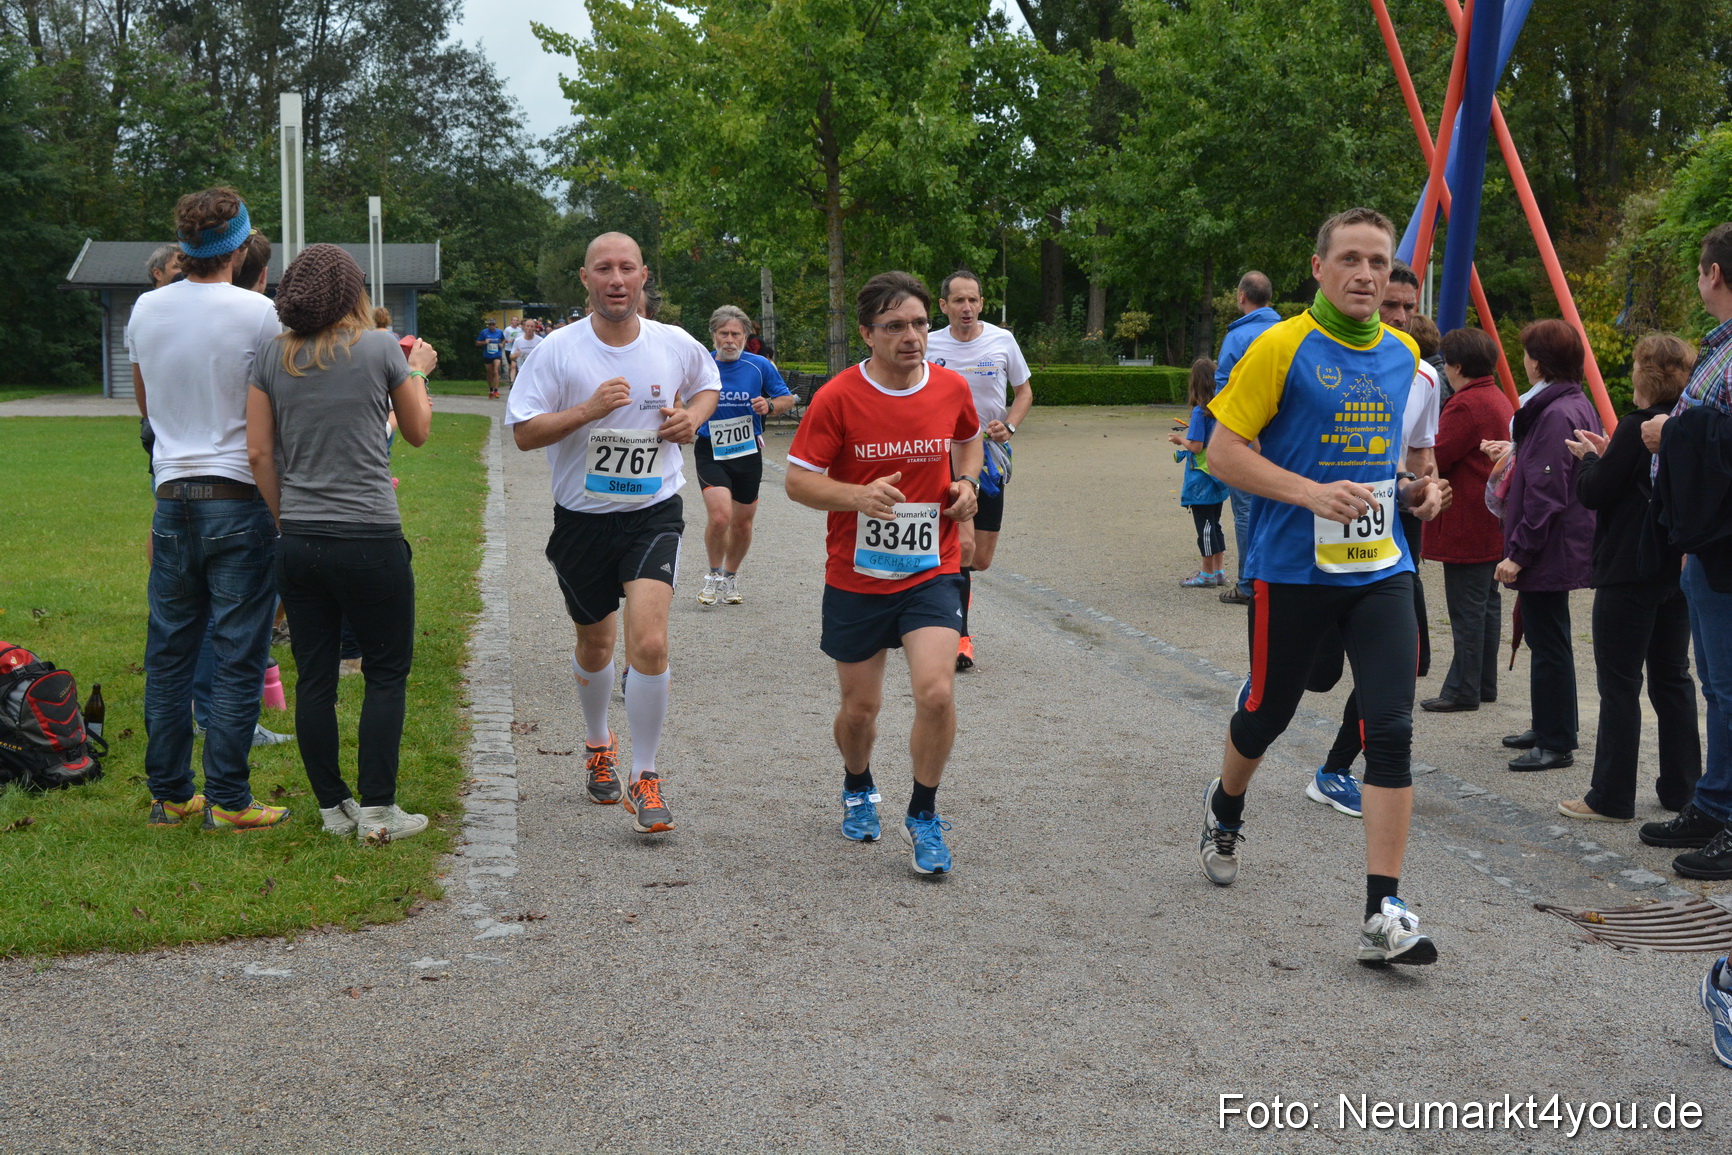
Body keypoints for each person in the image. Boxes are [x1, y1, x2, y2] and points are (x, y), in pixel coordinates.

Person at [1199, 207, 1447, 965]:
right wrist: (1309, 493)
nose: (1367, 274)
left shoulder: (1405, 354)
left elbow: (1409, 461)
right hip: (1293, 567)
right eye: (1351, 260)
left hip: (1380, 566)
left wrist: (1423, 493)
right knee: (1268, 711)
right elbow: (1221, 454)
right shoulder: (1281, 345)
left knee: (1392, 726)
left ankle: (1383, 909)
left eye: (1379, 262)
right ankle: (1225, 804)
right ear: (1319, 268)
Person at [505, 232, 719, 834]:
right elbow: (523, 433)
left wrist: (691, 418)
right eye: (605, 269)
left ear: (644, 275)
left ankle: (646, 775)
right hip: (580, 521)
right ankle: (599, 743)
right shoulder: (556, 351)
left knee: (648, 643)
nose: (617, 278)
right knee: (596, 645)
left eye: (627, 268)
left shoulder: (673, 343)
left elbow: (707, 384)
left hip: (653, 512)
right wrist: (588, 411)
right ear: (586, 279)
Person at [785, 271, 983, 874]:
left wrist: (968, 484)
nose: (912, 336)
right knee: (861, 711)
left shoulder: (951, 388)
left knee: (937, 689)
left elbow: (969, 440)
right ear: (868, 333)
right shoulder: (837, 398)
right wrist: (856, 497)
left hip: (932, 566)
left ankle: (924, 814)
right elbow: (797, 481)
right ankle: (857, 783)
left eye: (920, 323)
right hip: (857, 575)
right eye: (895, 326)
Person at [246, 244, 437, 842]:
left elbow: (258, 452)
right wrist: (420, 372)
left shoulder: (271, 356)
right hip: (369, 536)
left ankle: (334, 809)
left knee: (315, 678)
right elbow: (418, 431)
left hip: (300, 541)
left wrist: (287, 519)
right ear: (352, 292)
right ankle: (379, 811)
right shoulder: (380, 348)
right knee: (385, 672)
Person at [130, 186, 289, 831]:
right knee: (238, 650)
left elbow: (146, 407)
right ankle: (228, 797)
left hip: (171, 497)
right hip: (237, 498)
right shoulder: (259, 314)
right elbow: (274, 412)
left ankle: (169, 793)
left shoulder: (144, 308)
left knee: (169, 653)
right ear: (243, 245)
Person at [1303, 260, 1443, 816]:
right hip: (1312, 548)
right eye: (1393, 306)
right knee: (1312, 676)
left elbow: (1419, 456)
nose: (1403, 317)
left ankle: (1336, 769)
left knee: (1403, 662)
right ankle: (1262, 694)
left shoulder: (1423, 372)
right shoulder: (1308, 356)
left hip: (1390, 546)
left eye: (1410, 307)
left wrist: (1427, 490)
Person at [1556, 333, 1699, 821]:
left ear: (1644, 374)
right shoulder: (1687, 424)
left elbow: (1595, 492)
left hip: (1628, 568)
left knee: (1620, 684)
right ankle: (1684, 787)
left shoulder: (1638, 426)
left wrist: (1591, 459)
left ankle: (1611, 795)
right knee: (1673, 679)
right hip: (1675, 566)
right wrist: (1606, 453)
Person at [1635, 222, 1732, 879]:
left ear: (1715, 274)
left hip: (1725, 547)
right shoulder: (1718, 347)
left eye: (1700, 270)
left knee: (1730, 686)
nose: (1698, 280)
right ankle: (1712, 800)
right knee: (1716, 685)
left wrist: (1674, 429)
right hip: (1705, 544)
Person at [1492, 320, 1600, 772]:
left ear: (1538, 362)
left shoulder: (1555, 412)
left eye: (1527, 354)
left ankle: (1556, 740)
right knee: (1546, 635)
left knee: (1550, 639)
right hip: (1556, 541)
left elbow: (1545, 492)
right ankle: (1551, 725)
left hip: (1549, 544)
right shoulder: (1570, 402)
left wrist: (1519, 551)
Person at [924, 269, 1033, 670]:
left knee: (980, 557)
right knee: (963, 547)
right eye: (958, 301)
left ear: (982, 304)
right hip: (945, 454)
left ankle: (929, 604)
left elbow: (1023, 392)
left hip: (990, 456)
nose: (966, 307)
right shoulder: (928, 344)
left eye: (973, 300)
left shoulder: (1002, 340)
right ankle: (958, 637)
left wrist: (1011, 425)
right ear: (944, 306)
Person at [1420, 327, 1516, 713]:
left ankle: (1462, 688)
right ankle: (1482, 682)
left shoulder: (1465, 405)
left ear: (1457, 366)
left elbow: (1437, 455)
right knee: (1486, 604)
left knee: (1467, 608)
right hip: (1491, 517)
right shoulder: (1497, 398)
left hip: (1466, 520)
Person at [693, 305, 794, 605]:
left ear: (746, 337)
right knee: (721, 515)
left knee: (743, 523)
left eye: (735, 334)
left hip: (747, 450)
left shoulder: (759, 365)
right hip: (710, 448)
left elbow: (786, 397)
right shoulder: (702, 365)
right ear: (713, 336)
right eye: (723, 333)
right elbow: (680, 396)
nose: (729, 340)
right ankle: (712, 575)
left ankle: (730, 576)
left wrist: (770, 406)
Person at [1213, 271, 1280, 606]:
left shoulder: (1237, 339)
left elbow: (1225, 393)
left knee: (1245, 510)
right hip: (1284, 441)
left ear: (1241, 297)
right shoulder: (1286, 332)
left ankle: (1248, 583)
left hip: (1248, 440)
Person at [1167, 357, 1229, 586]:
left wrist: (1179, 438)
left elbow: (1195, 446)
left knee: (1204, 526)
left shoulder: (1199, 412)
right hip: (1218, 474)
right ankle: (1219, 571)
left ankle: (1207, 574)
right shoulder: (1221, 408)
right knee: (1216, 523)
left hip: (1201, 478)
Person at [476, 318, 505, 398]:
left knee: (496, 371)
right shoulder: (484, 332)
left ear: (495, 325)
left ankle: (496, 390)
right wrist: (484, 342)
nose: (492, 326)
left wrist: (502, 344)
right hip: (487, 355)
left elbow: (503, 340)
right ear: (488, 325)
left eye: (493, 325)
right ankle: (491, 389)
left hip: (497, 354)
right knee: (489, 372)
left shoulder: (499, 332)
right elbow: (477, 343)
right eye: (490, 325)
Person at [502, 315, 522, 382]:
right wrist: (507, 341)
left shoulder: (520, 330)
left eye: (516, 320)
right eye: (514, 320)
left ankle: (515, 379)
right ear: (511, 321)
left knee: (515, 365)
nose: (515, 322)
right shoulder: (507, 329)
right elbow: (503, 339)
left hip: (516, 350)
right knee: (511, 365)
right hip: (508, 349)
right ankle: (510, 379)